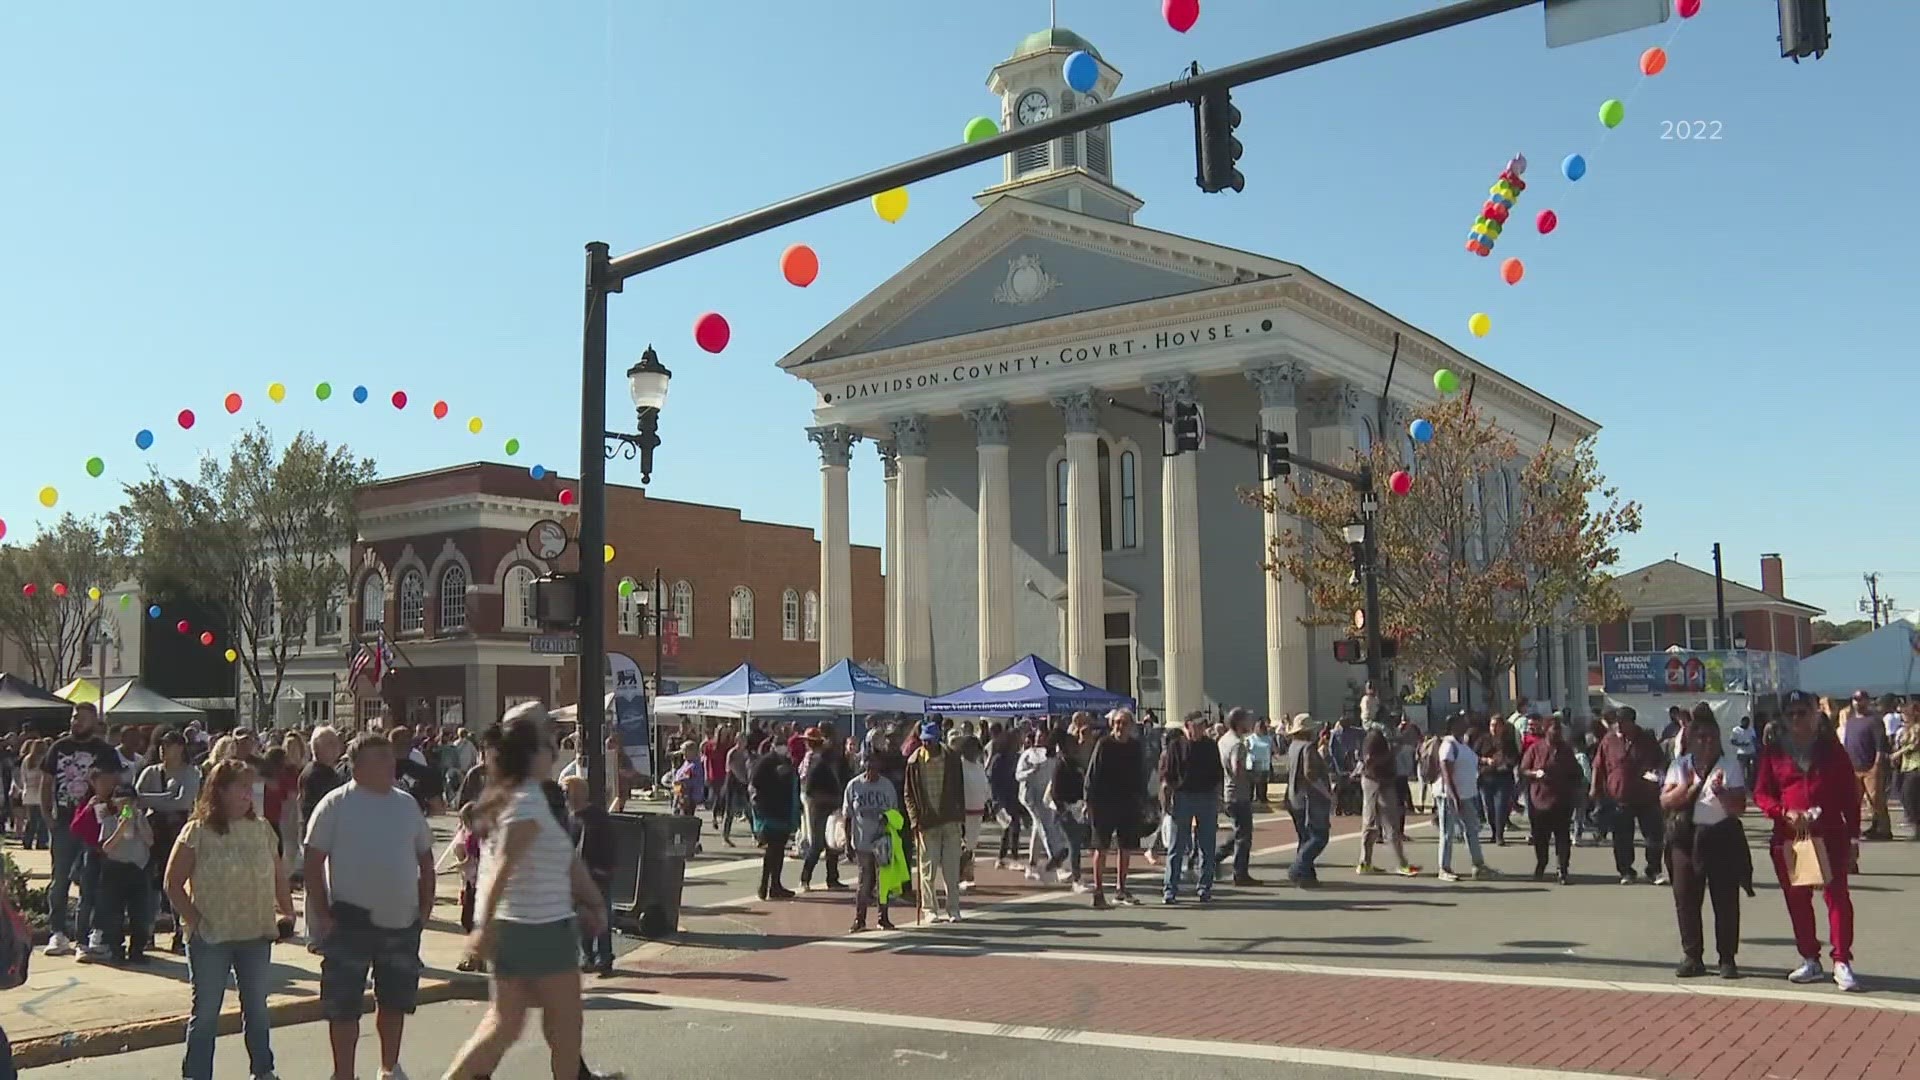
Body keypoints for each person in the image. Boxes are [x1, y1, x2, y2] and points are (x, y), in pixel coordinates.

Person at [442, 710, 610, 1080]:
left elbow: (565, 861)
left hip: (519, 926)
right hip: (541, 927)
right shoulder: (527, 803)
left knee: (505, 1024)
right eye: (550, 747)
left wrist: (593, 899)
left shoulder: (514, 797)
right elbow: (503, 865)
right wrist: (482, 927)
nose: (555, 754)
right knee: (564, 1030)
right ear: (533, 755)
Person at [304, 734, 437, 1080]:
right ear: (357, 766)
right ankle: (343, 1074)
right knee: (343, 1006)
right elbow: (313, 860)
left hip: (401, 921)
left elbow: (426, 858)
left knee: (394, 1002)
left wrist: (424, 909)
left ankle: (389, 1069)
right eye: (380, 758)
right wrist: (321, 912)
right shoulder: (335, 804)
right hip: (349, 920)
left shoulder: (407, 805)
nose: (390, 764)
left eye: (390, 758)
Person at [166, 758, 296, 1080]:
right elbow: (172, 882)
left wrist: (287, 911)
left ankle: (263, 1071)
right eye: (240, 786)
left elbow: (279, 876)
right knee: (207, 1013)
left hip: (255, 933)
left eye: (249, 787)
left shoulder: (262, 829)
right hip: (211, 938)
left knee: (257, 1009)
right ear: (220, 790)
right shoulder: (197, 831)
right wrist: (195, 921)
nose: (247, 793)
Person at [1753, 689, 1863, 991]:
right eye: (1791, 714)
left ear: (1817, 713)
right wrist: (1782, 812)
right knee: (1797, 899)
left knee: (1837, 897)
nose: (1798, 718)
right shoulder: (1774, 752)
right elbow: (1762, 793)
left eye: (1804, 712)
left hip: (1831, 833)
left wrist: (1854, 836)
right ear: (1784, 719)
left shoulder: (1832, 750)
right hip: (1790, 835)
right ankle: (1810, 958)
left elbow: (1849, 797)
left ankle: (1842, 960)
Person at [1661, 704, 1752, 980]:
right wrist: (1688, 787)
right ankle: (1692, 956)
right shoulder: (1680, 765)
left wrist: (1721, 793)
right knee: (1686, 900)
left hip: (1721, 837)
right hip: (1686, 839)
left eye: (1712, 737)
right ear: (1691, 739)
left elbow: (1739, 807)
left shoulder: (1729, 765)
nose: (1707, 742)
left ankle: (1727, 958)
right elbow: (1665, 801)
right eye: (1701, 737)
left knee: (1725, 901)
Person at [39, 703, 121, 956]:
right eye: (75, 717)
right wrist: (47, 815)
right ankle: (58, 933)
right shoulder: (58, 747)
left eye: (83, 718)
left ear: (94, 722)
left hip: (93, 825)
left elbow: (117, 786)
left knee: (90, 880)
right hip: (63, 821)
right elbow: (46, 782)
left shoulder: (105, 752)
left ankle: (88, 935)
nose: (77, 721)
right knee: (60, 878)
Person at [71, 765, 151, 962]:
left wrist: (138, 822)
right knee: (113, 913)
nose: (125, 808)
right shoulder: (109, 820)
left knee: (140, 912)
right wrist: (120, 827)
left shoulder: (141, 818)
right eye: (121, 803)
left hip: (138, 869)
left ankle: (137, 950)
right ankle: (116, 948)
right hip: (115, 868)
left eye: (129, 804)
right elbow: (106, 846)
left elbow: (150, 841)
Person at [135, 730, 199, 954]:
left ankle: (180, 933)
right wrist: (166, 796)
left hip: (178, 831)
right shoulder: (151, 772)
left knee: (176, 881)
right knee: (150, 883)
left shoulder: (190, 773)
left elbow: (183, 802)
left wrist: (159, 800)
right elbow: (136, 798)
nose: (163, 750)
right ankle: (146, 932)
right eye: (161, 745)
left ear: (180, 748)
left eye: (169, 745)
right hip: (152, 832)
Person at [1590, 705, 1668, 886]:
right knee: (1622, 837)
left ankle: (1653, 870)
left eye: (1621, 723)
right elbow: (1598, 765)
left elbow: (1661, 762)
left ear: (1631, 723)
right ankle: (1626, 871)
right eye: (1616, 723)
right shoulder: (1609, 740)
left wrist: (1657, 775)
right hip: (1619, 797)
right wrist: (1595, 788)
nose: (1618, 726)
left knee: (1653, 836)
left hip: (1646, 796)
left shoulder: (1647, 739)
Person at [903, 720, 966, 924]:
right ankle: (929, 909)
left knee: (951, 868)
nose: (926, 745)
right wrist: (914, 820)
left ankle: (953, 908)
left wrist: (961, 817)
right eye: (924, 741)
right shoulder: (914, 762)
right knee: (927, 870)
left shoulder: (952, 758)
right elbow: (908, 795)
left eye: (930, 741)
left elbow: (959, 789)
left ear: (938, 740)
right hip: (926, 821)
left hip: (949, 819)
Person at [1162, 711, 1223, 902]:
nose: (1200, 728)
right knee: (1177, 846)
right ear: (1187, 725)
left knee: (1207, 845)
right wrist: (1166, 802)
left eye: (1202, 725)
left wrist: (1219, 797)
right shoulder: (1176, 746)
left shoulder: (1210, 746)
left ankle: (1205, 887)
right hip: (1183, 797)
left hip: (1206, 797)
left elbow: (1217, 773)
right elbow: (1167, 775)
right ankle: (1170, 889)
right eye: (1196, 725)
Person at [841, 749, 898, 932]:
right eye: (868, 764)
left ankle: (883, 917)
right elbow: (848, 816)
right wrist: (848, 842)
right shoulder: (854, 786)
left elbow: (895, 813)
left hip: (882, 840)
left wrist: (887, 821)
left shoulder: (887, 786)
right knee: (864, 881)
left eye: (875, 764)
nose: (872, 768)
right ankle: (860, 918)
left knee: (884, 881)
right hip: (862, 840)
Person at [1521, 716, 1583, 884]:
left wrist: (1573, 785)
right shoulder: (1536, 748)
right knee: (1540, 837)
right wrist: (1535, 773)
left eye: (1559, 729)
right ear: (1546, 729)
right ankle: (1541, 863)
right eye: (1554, 728)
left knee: (1562, 837)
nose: (1557, 732)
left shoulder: (1566, 750)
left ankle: (1562, 869)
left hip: (1562, 801)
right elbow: (1524, 769)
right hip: (1540, 800)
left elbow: (1577, 773)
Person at [1434, 711, 1492, 882]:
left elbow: (1474, 760)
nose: (1464, 723)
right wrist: (1454, 797)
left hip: (1466, 795)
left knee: (1471, 830)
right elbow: (1446, 772)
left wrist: (1487, 761)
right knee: (1447, 832)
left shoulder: (1463, 745)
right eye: (1460, 722)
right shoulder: (1448, 745)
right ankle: (1444, 868)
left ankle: (1478, 865)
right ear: (1452, 726)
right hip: (1450, 796)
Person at [1357, 728, 1419, 877]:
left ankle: (1366, 862)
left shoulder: (1384, 738)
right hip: (1376, 782)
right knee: (1380, 823)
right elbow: (1369, 759)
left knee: (1383, 823)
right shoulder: (1374, 737)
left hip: (1383, 781)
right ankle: (1400, 863)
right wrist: (1392, 753)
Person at [1284, 713, 1334, 886]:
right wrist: (1327, 794)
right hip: (1309, 798)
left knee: (1304, 837)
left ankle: (1306, 875)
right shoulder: (1308, 748)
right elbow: (1310, 774)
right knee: (1319, 836)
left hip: (1293, 796)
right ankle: (1297, 868)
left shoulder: (1293, 747)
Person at [749, 737, 799, 900]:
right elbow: (755, 783)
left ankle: (775, 885)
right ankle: (765, 886)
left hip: (783, 810)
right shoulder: (766, 761)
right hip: (770, 811)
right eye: (780, 745)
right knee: (773, 849)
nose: (784, 748)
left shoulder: (786, 761)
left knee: (778, 850)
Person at [798, 727, 848, 892]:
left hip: (829, 804)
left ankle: (832, 878)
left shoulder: (832, 761)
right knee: (818, 843)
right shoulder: (817, 762)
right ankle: (805, 878)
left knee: (831, 843)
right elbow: (809, 787)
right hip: (818, 805)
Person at [1217, 708, 1262, 887]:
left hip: (1228, 792)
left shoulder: (1223, 740)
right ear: (1239, 722)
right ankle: (1240, 872)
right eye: (1247, 720)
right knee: (1244, 836)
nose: (1250, 723)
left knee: (1237, 832)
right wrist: (1252, 776)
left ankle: (1213, 859)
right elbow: (1237, 769)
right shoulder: (1237, 744)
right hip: (1238, 793)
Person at [1017, 728, 1069, 882]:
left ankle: (1032, 866)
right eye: (1038, 737)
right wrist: (1031, 771)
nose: (1040, 740)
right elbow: (1018, 775)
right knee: (1045, 827)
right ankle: (1057, 863)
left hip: (1045, 797)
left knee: (1038, 827)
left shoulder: (1051, 756)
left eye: (1043, 737)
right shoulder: (1028, 754)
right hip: (1030, 797)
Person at [1840, 691, 1893, 841]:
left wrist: (1877, 764)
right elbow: (1847, 743)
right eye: (1855, 699)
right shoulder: (1850, 721)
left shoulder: (1874, 721)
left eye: (1860, 699)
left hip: (1871, 767)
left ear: (1867, 701)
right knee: (1853, 801)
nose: (1857, 702)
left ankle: (1884, 829)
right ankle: (1855, 829)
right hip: (1853, 767)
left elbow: (1880, 745)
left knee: (1876, 799)